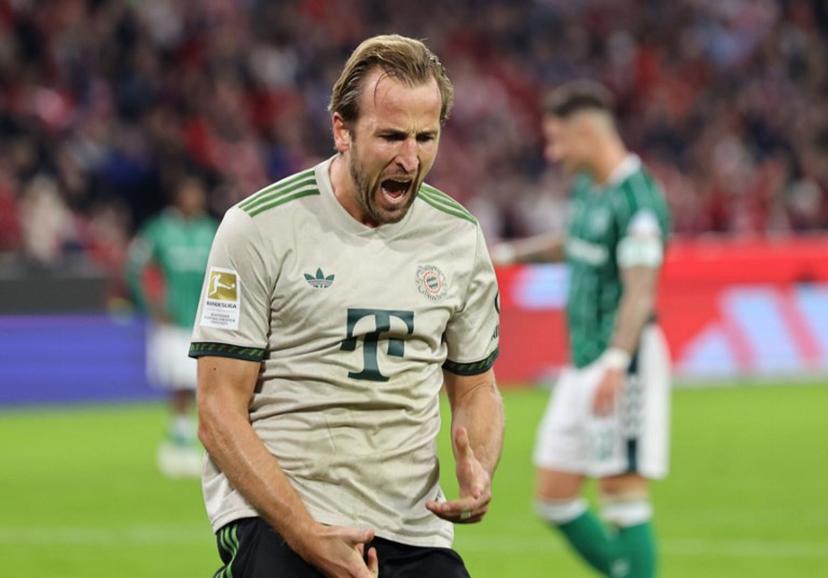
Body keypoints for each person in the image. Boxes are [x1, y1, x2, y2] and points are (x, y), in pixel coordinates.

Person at [189, 34, 504, 578]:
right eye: (391, 136)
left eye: (427, 137)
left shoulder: (458, 236)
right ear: (341, 130)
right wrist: (305, 531)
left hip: (411, 525)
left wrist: (479, 466)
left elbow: (476, 386)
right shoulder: (258, 228)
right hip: (281, 515)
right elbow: (218, 411)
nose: (411, 157)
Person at [492, 81, 671, 578]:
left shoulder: (638, 201)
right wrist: (503, 255)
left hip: (624, 359)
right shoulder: (591, 190)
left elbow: (641, 288)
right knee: (553, 495)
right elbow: (573, 243)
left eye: (558, 140)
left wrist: (617, 363)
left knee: (623, 494)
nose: (553, 153)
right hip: (584, 360)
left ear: (588, 132)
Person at [126, 175, 218, 478]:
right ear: (178, 196)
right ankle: (178, 440)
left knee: (205, 386)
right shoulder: (160, 230)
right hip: (174, 320)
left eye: (198, 191)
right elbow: (135, 266)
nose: (195, 198)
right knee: (179, 383)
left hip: (206, 321)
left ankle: (196, 442)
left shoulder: (210, 230)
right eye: (190, 192)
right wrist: (151, 306)